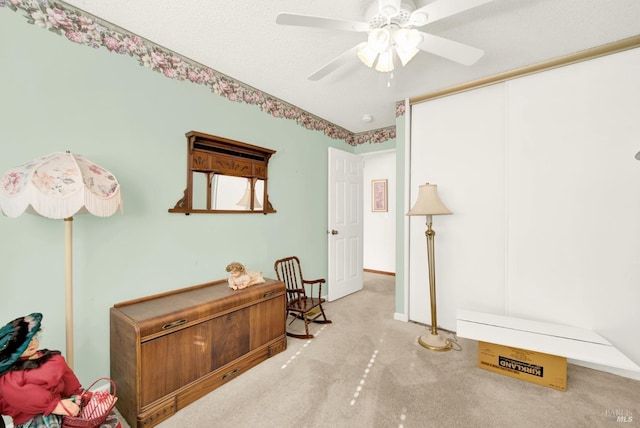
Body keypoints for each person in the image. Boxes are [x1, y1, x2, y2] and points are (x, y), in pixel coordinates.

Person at [0, 313, 82, 428]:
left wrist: (76, 393)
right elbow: (25, 396)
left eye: (33, 338)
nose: (32, 343)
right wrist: (53, 405)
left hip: (57, 403)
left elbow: (66, 377)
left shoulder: (52, 359)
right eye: (25, 343)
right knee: (47, 423)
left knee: (80, 415)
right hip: (31, 416)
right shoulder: (11, 375)